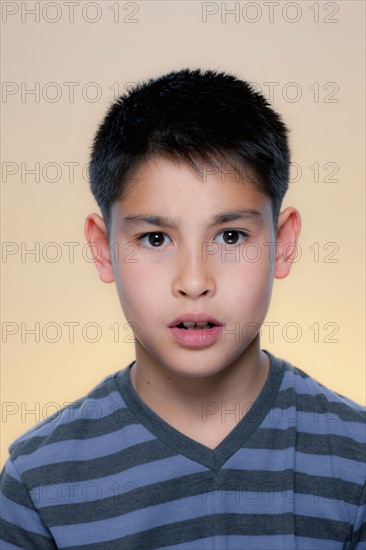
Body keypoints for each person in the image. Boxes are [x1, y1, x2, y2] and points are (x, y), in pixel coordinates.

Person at [1, 67, 365, 549]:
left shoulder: (355, 460)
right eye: (155, 238)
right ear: (103, 249)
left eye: (231, 236)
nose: (194, 281)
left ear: (283, 243)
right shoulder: (39, 482)